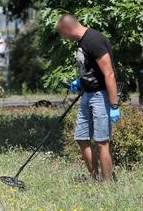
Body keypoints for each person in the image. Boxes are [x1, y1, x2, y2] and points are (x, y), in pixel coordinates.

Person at [57, 14, 120, 181]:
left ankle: (107, 185)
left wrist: (114, 105)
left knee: (101, 142)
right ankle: (95, 179)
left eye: (63, 34)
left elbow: (109, 73)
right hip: (88, 94)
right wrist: (80, 82)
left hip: (101, 96)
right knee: (82, 138)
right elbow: (93, 70)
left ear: (68, 29)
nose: (64, 38)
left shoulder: (94, 40)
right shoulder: (82, 42)